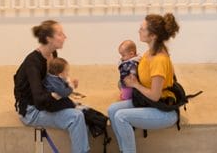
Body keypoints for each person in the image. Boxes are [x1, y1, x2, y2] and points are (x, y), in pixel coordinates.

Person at [107, 13, 181, 153]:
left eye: (142, 29)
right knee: (112, 109)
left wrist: (135, 85)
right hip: (148, 102)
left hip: (163, 110)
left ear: (153, 35)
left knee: (121, 116)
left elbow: (155, 95)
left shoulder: (159, 60)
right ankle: (125, 150)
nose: (139, 31)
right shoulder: (149, 52)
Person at [13, 20, 89, 153]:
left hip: (45, 104)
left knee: (83, 110)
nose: (65, 37)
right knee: (76, 117)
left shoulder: (53, 55)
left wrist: (67, 84)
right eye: (60, 34)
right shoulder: (33, 62)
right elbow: (39, 99)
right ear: (49, 39)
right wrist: (62, 93)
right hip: (31, 111)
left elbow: (53, 82)